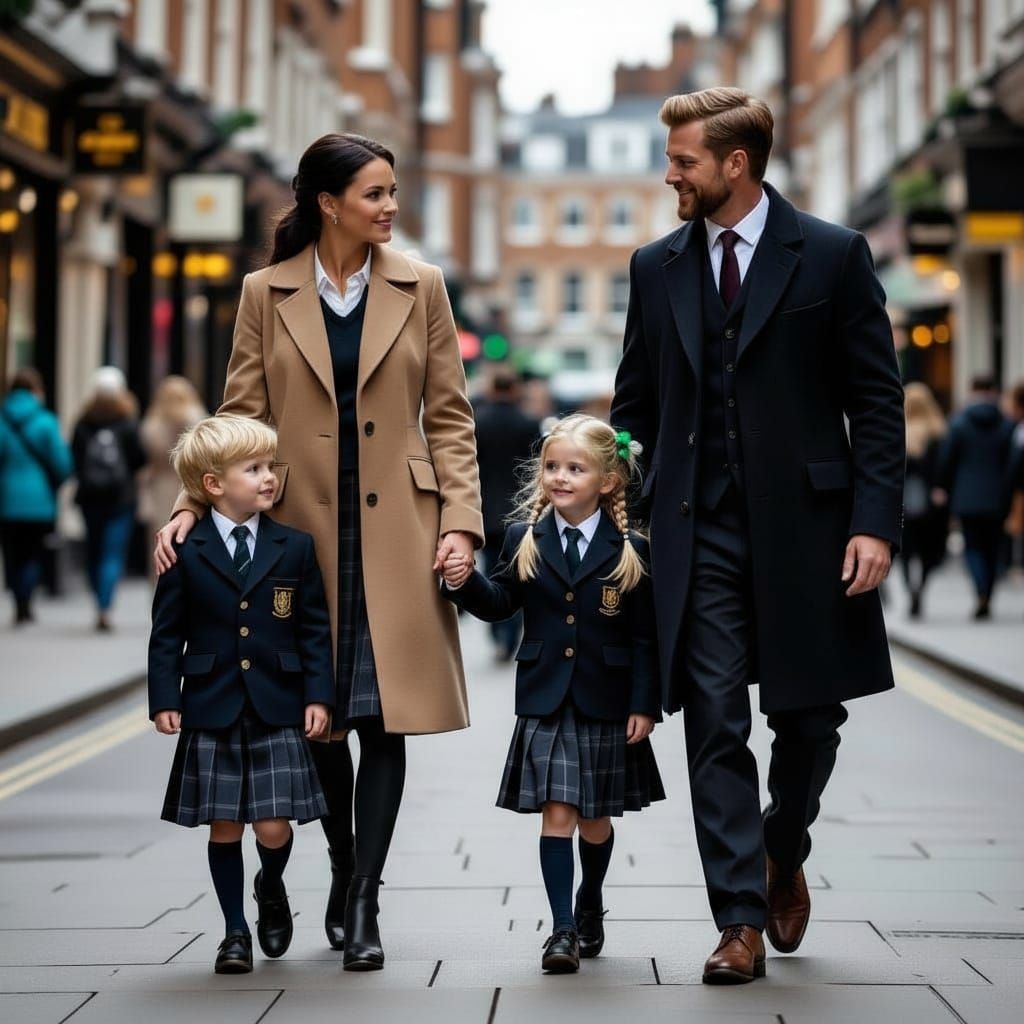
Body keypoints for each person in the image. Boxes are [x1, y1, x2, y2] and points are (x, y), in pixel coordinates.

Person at [153, 133, 483, 971]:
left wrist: (461, 523)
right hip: (294, 533)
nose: (391, 206)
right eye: (375, 193)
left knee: (385, 718)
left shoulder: (425, 287)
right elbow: (237, 415)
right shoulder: (267, 292)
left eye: (394, 192)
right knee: (323, 723)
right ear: (329, 202)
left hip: (400, 532)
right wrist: (195, 506)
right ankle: (338, 866)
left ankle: (364, 897)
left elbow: (449, 417)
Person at [611, 88, 904, 983]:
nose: (671, 174)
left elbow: (877, 402)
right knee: (713, 723)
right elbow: (635, 404)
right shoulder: (654, 266)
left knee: (810, 719)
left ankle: (784, 845)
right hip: (696, 537)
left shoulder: (832, 254)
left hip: (812, 532)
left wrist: (874, 524)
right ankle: (737, 919)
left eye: (685, 160)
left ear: (735, 164)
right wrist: (626, 495)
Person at [441, 414, 664, 974]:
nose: (559, 477)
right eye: (552, 467)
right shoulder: (523, 538)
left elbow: (644, 639)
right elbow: (499, 604)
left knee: (595, 820)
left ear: (607, 481)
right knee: (557, 814)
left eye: (574, 468)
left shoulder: (631, 548)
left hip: (607, 700)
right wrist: (462, 581)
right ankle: (562, 928)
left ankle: (591, 899)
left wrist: (644, 704)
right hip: (545, 700)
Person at [149, 415, 334, 975]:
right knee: (225, 824)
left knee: (274, 826)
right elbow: (166, 631)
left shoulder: (294, 547)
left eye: (268, 467)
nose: (268, 478)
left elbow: (313, 629)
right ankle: (234, 932)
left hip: (278, 702)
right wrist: (165, 697)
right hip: (213, 701)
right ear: (213, 485)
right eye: (253, 470)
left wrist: (318, 695)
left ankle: (269, 885)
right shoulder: (186, 547)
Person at [71, 366, 147, 631]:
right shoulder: (128, 422)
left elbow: (75, 460)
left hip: (90, 497)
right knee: (112, 553)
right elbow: (139, 459)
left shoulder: (83, 423)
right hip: (120, 498)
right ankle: (105, 605)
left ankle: (97, 598)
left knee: (93, 549)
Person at [472, 364, 540, 660]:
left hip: (487, 511)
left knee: (492, 571)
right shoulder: (528, 422)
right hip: (520, 510)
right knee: (518, 574)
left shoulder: (478, 421)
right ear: (515, 389)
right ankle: (510, 635)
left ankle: (498, 634)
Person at [0, 367, 73, 624]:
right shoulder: (45, 421)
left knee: (11, 552)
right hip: (39, 501)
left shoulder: (2, 420)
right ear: (36, 391)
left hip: (6, 501)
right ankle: (26, 600)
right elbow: (63, 463)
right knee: (31, 553)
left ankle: (18, 598)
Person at [939, 375, 1015, 619]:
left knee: (972, 547)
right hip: (997, 497)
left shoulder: (959, 423)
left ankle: (980, 589)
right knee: (993, 548)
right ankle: (988, 593)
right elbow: (1012, 463)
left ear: (971, 391)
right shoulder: (1006, 424)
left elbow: (947, 461)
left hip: (966, 497)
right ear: (994, 391)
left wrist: (944, 488)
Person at [138, 376, 207, 572]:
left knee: (160, 539)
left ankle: (161, 584)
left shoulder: (152, 423)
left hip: (160, 484)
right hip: (190, 483)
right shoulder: (197, 419)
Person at [900, 383, 949, 618]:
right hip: (930, 502)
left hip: (904, 500)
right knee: (929, 549)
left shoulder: (900, 431)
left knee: (906, 552)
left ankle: (911, 590)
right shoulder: (938, 431)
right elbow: (944, 468)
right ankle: (922, 587)